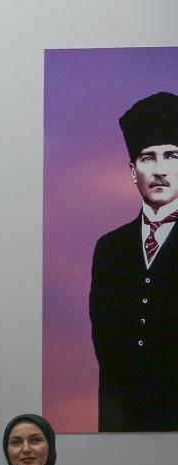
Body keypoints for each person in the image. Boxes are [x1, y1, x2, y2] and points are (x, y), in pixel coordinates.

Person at [89, 91, 178, 432]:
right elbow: (105, 341)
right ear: (132, 170)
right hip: (123, 421)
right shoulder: (110, 249)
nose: (159, 170)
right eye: (147, 158)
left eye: (171, 156)